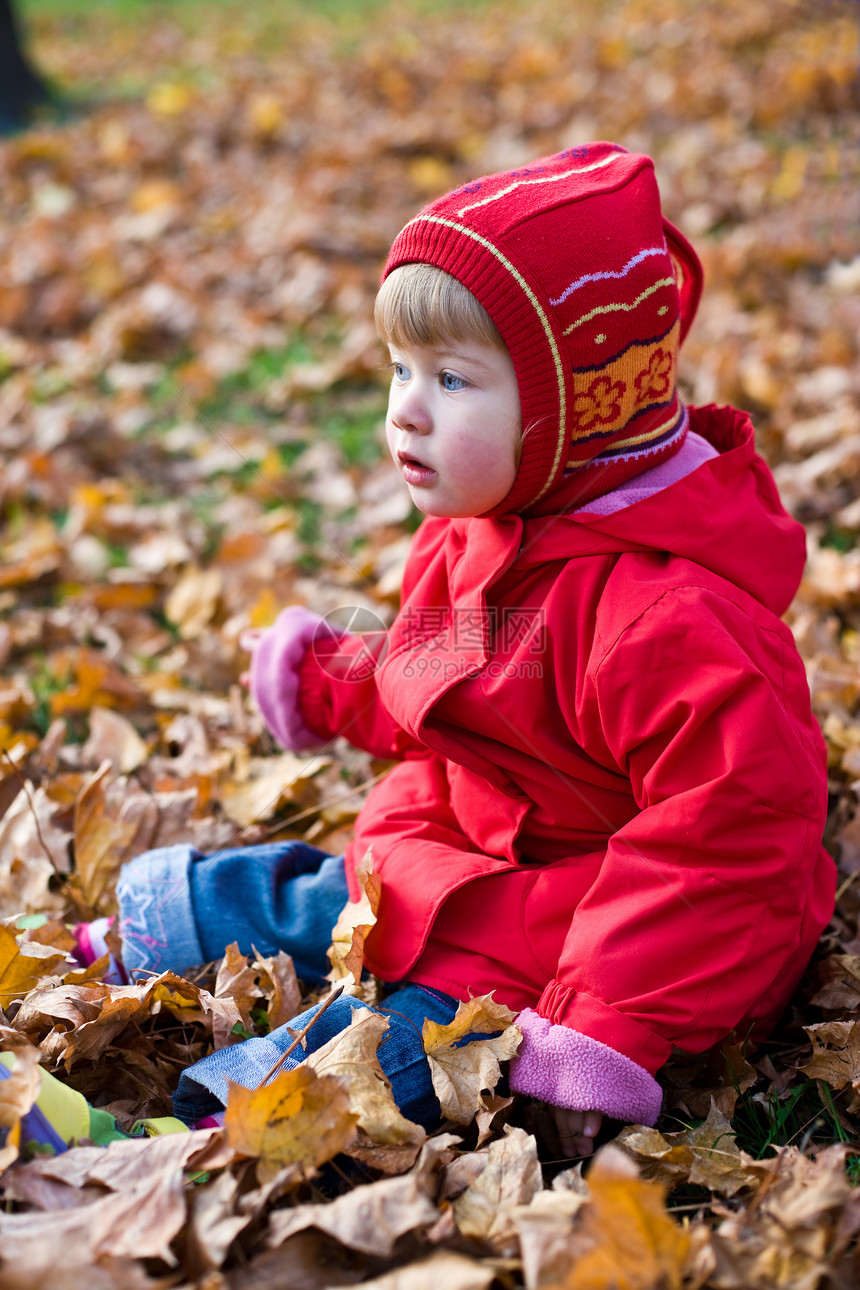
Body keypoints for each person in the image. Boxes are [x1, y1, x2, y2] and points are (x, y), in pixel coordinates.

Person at [70, 142, 834, 1160]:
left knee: (405, 1034)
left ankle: (203, 1127)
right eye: (397, 369)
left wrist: (601, 1026)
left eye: (451, 379)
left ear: (580, 412)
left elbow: (725, 849)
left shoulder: (671, 622)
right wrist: (325, 682)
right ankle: (154, 928)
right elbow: (445, 674)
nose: (404, 409)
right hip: (470, 849)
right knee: (329, 897)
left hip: (579, 929)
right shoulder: (491, 527)